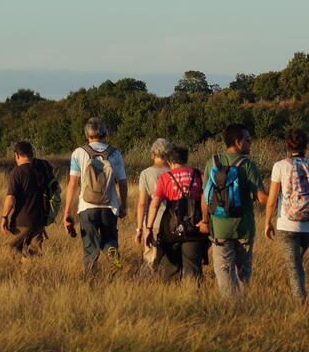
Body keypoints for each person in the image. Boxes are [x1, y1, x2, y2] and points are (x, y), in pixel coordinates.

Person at [264, 129, 309, 302]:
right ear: (306, 146)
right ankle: (300, 296)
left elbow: (272, 201)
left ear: (288, 146)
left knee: (294, 267)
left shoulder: (280, 166)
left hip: (287, 225)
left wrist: (267, 222)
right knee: (296, 262)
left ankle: (300, 304)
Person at [199, 124, 269, 300]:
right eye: (248, 140)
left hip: (219, 227)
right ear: (238, 142)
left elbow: (205, 197)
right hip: (244, 227)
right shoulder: (247, 165)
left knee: (223, 269)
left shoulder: (212, 163)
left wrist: (205, 221)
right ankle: (242, 302)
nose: (250, 143)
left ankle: (232, 303)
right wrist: (280, 193)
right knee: (243, 270)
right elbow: (262, 198)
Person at [62, 118, 128, 276]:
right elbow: (123, 182)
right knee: (109, 238)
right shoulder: (115, 153)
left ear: (86, 134)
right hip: (110, 206)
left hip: (87, 207)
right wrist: (123, 205)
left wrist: (67, 212)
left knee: (90, 247)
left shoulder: (79, 153)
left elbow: (72, 184)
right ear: (105, 134)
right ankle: (111, 250)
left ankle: (91, 280)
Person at [145, 145, 209, 285]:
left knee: (171, 267)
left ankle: (171, 297)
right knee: (193, 268)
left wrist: (148, 229)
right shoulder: (198, 175)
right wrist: (206, 221)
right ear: (186, 159)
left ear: (169, 161)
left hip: (171, 229)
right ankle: (193, 297)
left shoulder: (165, 177)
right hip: (195, 228)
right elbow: (207, 198)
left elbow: (155, 204)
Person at [1, 141, 55, 262]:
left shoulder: (17, 172)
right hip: (40, 220)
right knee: (36, 250)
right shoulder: (42, 170)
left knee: (13, 247)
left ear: (17, 155)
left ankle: (26, 264)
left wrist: (4, 217)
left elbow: (10, 198)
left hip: (22, 220)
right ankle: (32, 273)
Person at [135, 138, 171, 275]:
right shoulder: (174, 172)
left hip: (153, 222)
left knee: (150, 259)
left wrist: (139, 229)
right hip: (172, 222)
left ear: (152, 155)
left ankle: (145, 287)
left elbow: (142, 203)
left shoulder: (146, 174)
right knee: (171, 258)